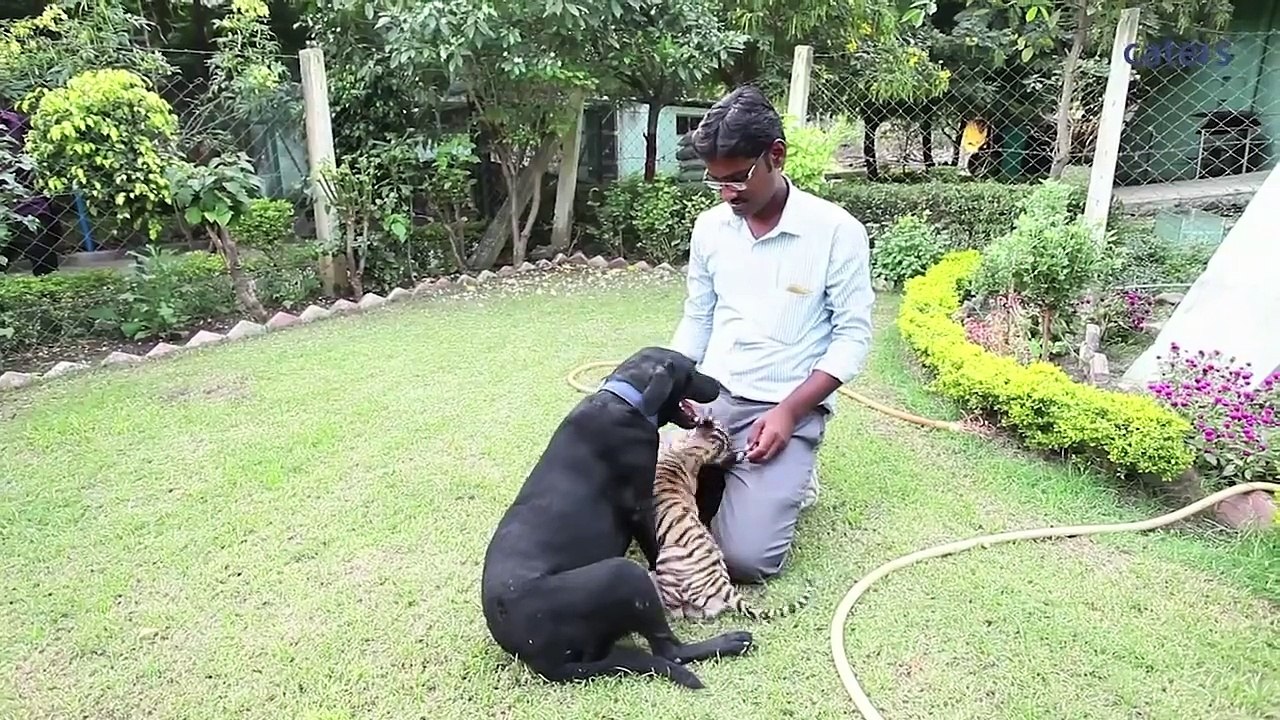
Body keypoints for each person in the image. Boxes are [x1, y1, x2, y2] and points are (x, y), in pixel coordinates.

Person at [665, 84, 875, 584]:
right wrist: (673, 385)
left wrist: (790, 411)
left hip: (781, 409)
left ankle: (788, 476)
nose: (727, 194)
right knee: (638, 505)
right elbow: (699, 317)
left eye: (737, 178)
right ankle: (740, 480)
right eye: (715, 183)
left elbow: (852, 338)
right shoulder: (711, 229)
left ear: (775, 156)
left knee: (744, 560)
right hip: (711, 401)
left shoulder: (835, 231)